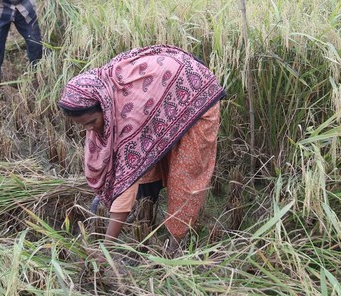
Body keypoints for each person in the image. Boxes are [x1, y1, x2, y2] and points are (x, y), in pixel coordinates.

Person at [59, 45, 225, 248]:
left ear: (103, 108)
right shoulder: (102, 96)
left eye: (92, 121)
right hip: (159, 94)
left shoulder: (128, 118)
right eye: (83, 125)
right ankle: (145, 212)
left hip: (196, 93)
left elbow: (126, 182)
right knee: (146, 162)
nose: (89, 129)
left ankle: (176, 243)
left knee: (184, 174)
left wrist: (107, 247)